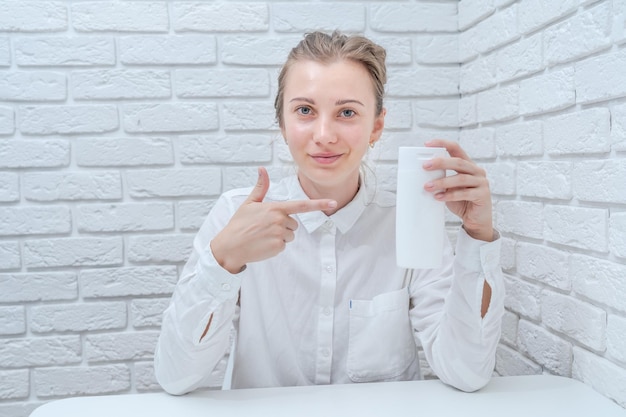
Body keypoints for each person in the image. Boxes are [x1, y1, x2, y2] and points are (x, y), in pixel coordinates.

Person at [154, 31, 504, 395]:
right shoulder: (236, 214)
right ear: (283, 123)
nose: (324, 134)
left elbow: (467, 373)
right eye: (305, 111)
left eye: (347, 112)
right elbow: (177, 377)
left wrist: (478, 237)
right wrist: (222, 262)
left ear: (377, 126)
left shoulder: (407, 223)